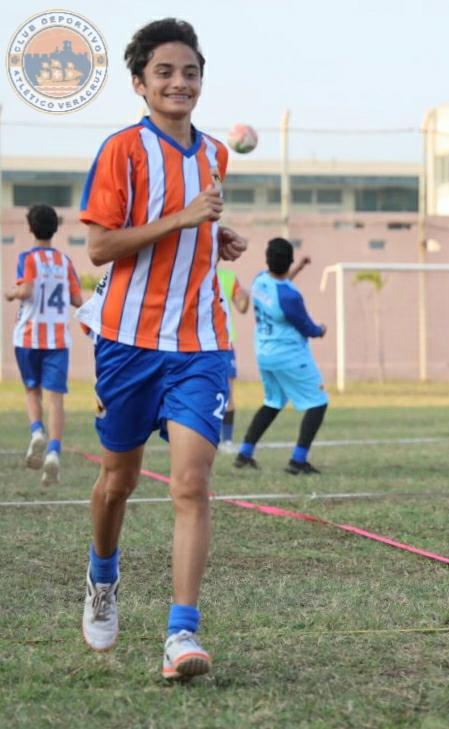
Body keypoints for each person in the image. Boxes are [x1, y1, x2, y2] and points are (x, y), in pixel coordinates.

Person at [77, 18, 248, 679]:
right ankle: (102, 577)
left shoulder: (214, 154)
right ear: (140, 83)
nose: (181, 82)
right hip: (126, 343)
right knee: (117, 482)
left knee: (191, 485)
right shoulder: (122, 150)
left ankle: (182, 634)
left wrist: (217, 236)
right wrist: (183, 221)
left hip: (201, 344)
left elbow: (192, 223)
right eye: (166, 72)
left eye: (191, 72)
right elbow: (100, 246)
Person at [234, 238, 328, 474]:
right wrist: (321, 330)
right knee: (318, 402)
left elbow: (281, 286)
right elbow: (306, 326)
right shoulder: (289, 297)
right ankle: (298, 461)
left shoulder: (259, 280)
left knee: (273, 402)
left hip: (264, 353)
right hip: (289, 355)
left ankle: (244, 453)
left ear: (267, 261)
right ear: (289, 261)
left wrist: (299, 268)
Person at [5, 204, 83, 486]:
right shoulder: (65, 262)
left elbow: (25, 290)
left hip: (27, 337)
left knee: (31, 391)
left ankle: (37, 431)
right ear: (56, 229)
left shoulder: (27, 258)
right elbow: (76, 300)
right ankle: (53, 452)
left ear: (29, 228)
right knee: (56, 398)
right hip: (57, 339)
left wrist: (12, 293)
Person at [216, 267, 249, 454]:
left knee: (228, 394)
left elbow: (242, 308)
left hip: (225, 344)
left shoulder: (228, 277)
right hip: (199, 344)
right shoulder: (192, 270)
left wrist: (245, 297)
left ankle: (227, 441)